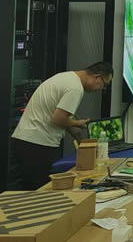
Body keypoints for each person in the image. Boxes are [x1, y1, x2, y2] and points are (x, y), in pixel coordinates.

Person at [11, 62, 113, 190]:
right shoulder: (75, 88)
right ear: (97, 77)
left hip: (26, 140)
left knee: (31, 188)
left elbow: (65, 119)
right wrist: (78, 123)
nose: (101, 89)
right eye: (104, 85)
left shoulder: (66, 77)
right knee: (40, 191)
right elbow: (58, 119)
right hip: (38, 144)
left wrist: (81, 140)